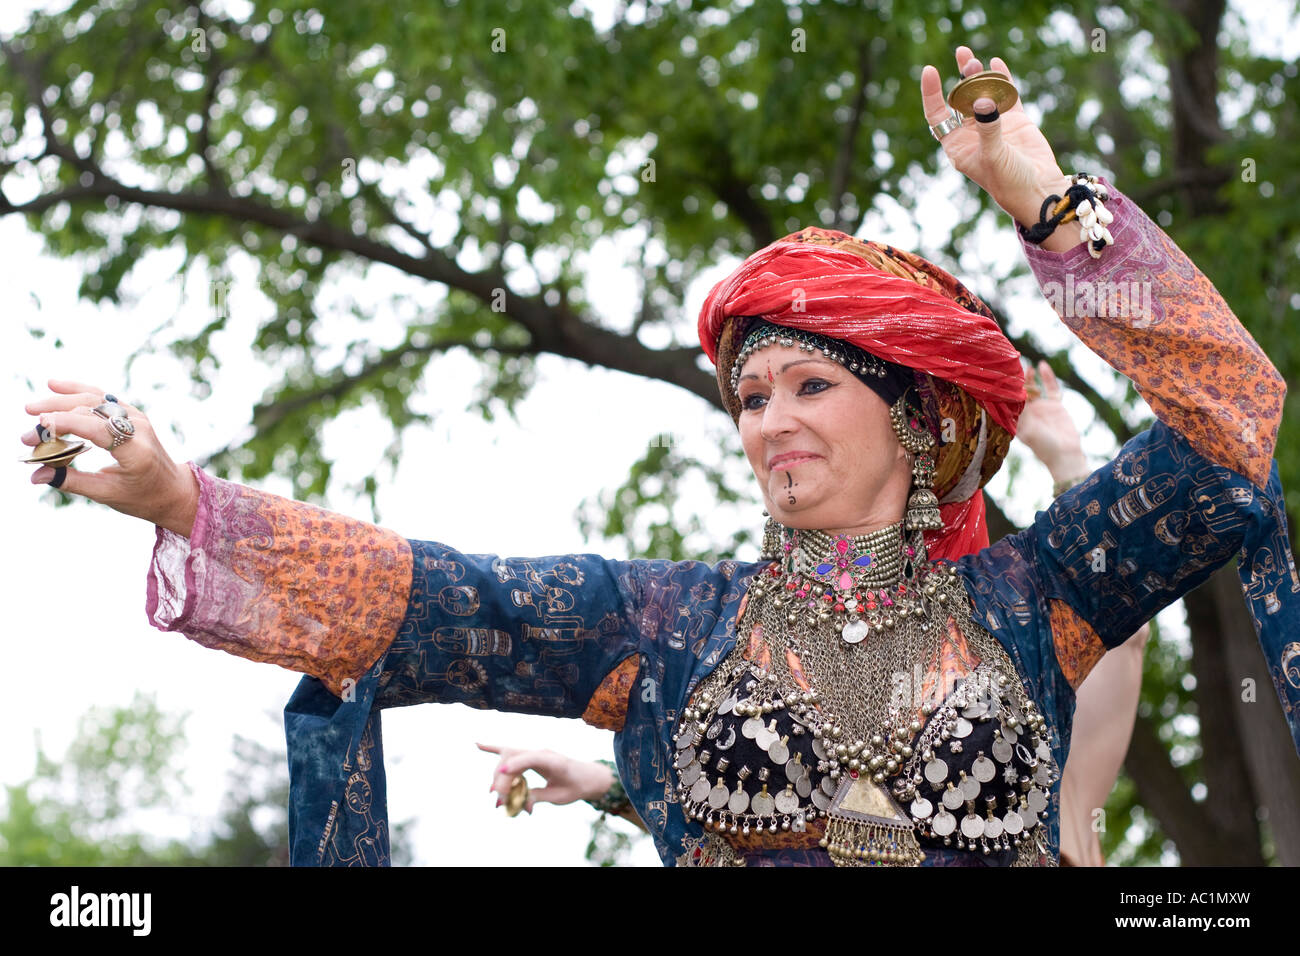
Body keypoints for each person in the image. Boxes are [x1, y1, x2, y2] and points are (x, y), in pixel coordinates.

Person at [22, 48, 1298, 867]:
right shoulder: (667, 620)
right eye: (748, 395)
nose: (770, 418)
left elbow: (1230, 422)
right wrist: (183, 500)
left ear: (916, 416)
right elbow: (425, 594)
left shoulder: (1037, 600)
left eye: (811, 383)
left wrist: (1046, 199)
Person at [480, 360, 1152, 867]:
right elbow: (773, 823)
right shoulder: (767, 661)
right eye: (754, 399)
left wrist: (1067, 461)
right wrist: (604, 786)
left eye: (813, 387)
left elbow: (1117, 628)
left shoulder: (1047, 765)